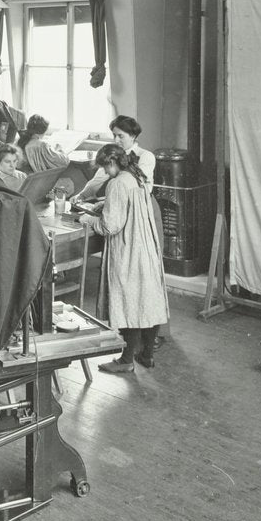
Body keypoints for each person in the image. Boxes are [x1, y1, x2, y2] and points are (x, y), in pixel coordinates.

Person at [78, 144, 169, 374]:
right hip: (146, 245)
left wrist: (87, 220)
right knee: (148, 300)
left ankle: (126, 360)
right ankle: (146, 355)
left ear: (111, 163)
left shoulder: (117, 183)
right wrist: (105, 204)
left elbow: (111, 226)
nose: (105, 173)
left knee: (129, 301)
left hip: (128, 248)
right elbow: (131, 206)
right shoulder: (136, 175)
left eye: (105, 168)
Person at [73, 115, 154, 203]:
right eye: (114, 135)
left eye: (120, 136)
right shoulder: (113, 153)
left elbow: (142, 188)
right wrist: (82, 195)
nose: (116, 140)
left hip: (140, 205)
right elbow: (98, 180)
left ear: (133, 136)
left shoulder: (145, 156)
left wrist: (109, 203)